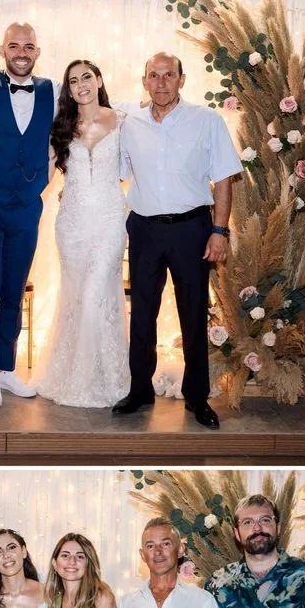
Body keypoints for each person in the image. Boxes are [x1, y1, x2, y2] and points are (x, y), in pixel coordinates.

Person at [116, 53, 240, 430]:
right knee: (142, 315)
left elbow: (222, 180)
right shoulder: (130, 124)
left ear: (182, 80)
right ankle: (139, 390)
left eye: (169, 75)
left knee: (192, 314)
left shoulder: (206, 121)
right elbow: (117, 171)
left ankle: (197, 397)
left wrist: (219, 231)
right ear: (144, 81)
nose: (161, 82)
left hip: (192, 230)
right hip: (144, 230)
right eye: (153, 75)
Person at [38, 60, 132, 409]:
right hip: (72, 223)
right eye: (74, 80)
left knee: (97, 294)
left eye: (86, 77)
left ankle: (108, 376)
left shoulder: (122, 120)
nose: (81, 85)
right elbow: (45, 174)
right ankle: (75, 374)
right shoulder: (61, 127)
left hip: (109, 219)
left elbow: (139, 164)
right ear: (69, 88)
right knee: (78, 297)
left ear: (99, 80)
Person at [0, 22, 53, 408]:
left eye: (29, 46)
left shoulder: (52, 90)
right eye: (14, 46)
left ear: (37, 52)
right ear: (3, 50)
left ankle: (7, 369)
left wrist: (45, 178)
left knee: (14, 291)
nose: (22, 52)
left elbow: (69, 131)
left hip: (27, 208)